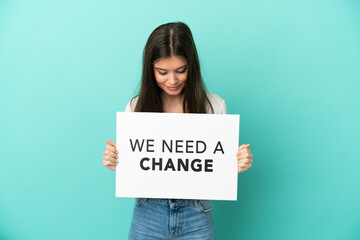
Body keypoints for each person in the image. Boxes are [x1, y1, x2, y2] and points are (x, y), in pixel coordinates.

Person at [102, 22, 253, 240]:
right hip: (148, 213)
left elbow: (216, 166)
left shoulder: (215, 106)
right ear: (150, 69)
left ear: (192, 66)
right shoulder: (135, 107)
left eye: (180, 71)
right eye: (162, 72)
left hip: (197, 214)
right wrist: (115, 160)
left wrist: (237, 163)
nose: (172, 80)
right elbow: (135, 164)